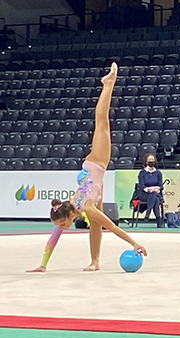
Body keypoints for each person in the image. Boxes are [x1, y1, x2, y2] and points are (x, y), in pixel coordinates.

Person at [27, 63, 147, 273]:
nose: (62, 228)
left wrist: (133, 243)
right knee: (95, 226)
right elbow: (52, 241)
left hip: (97, 162)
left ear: (68, 216)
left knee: (102, 122)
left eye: (63, 225)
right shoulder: (72, 209)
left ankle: (108, 83)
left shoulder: (85, 207)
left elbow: (113, 226)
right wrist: (43, 265)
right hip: (95, 180)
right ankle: (95, 261)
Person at [136, 153, 164, 228]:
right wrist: (149, 189)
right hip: (144, 194)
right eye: (149, 160)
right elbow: (142, 186)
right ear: (146, 162)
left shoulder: (158, 173)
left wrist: (157, 189)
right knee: (156, 198)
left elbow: (160, 185)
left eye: (152, 160)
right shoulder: (142, 173)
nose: (151, 161)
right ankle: (159, 220)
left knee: (155, 196)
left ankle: (148, 214)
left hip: (155, 193)